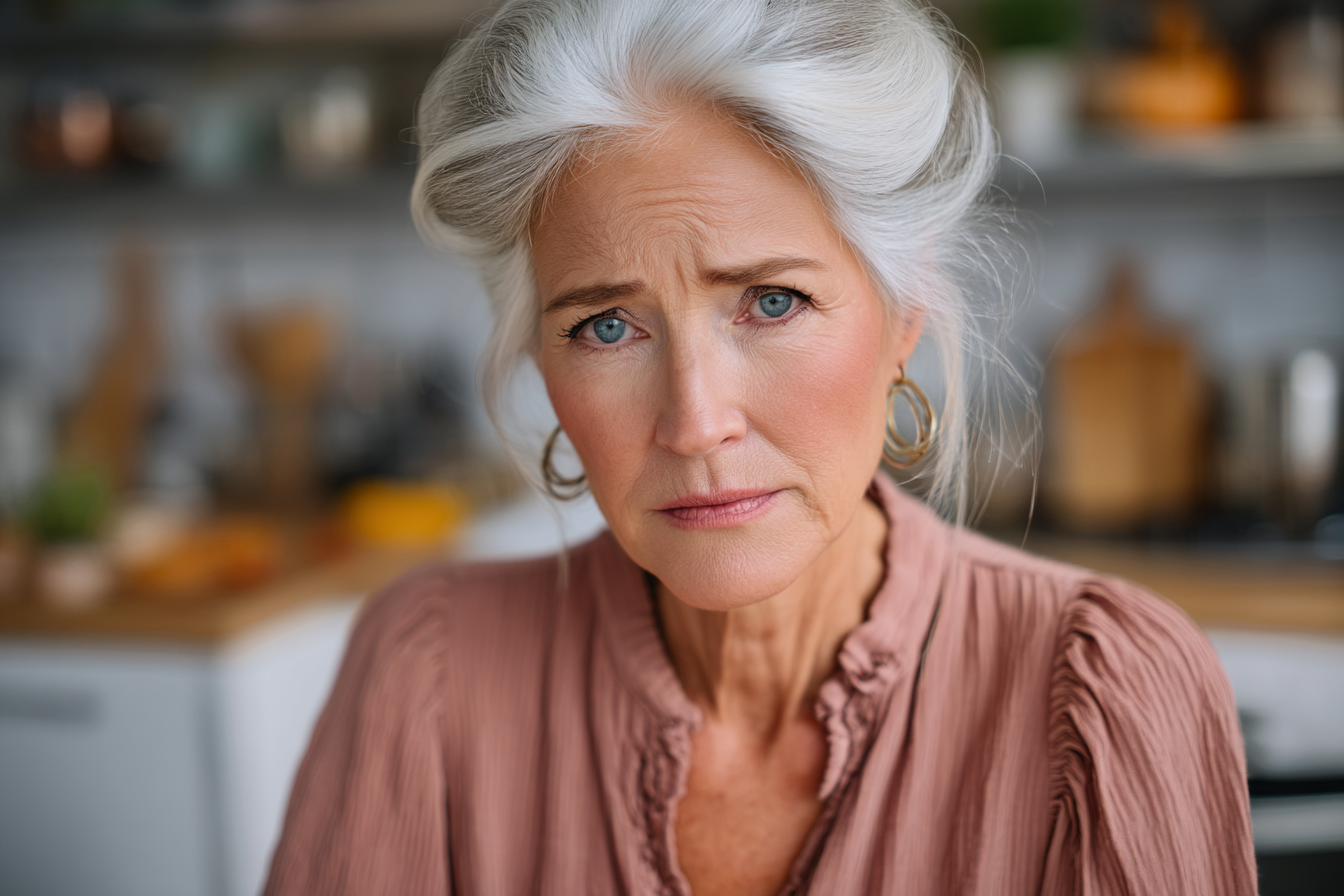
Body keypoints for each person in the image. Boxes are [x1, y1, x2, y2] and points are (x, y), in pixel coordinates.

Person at [264, 1, 1256, 894]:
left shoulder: (1098, 694)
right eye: (606, 325)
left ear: (902, 314)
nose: (696, 421)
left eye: (771, 302)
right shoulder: (427, 675)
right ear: (539, 355)